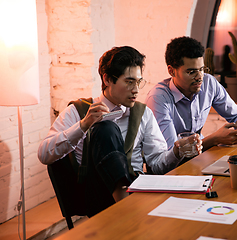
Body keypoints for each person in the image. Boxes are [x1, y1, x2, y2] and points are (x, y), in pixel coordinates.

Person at [38, 46, 201, 217]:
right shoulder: (78, 112)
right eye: (129, 82)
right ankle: (126, 205)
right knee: (105, 128)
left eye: (138, 82)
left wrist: (176, 151)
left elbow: (157, 165)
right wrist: (84, 125)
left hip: (137, 188)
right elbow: (44, 155)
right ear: (107, 79)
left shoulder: (142, 113)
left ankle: (127, 204)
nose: (136, 90)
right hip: (95, 196)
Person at [145, 36, 237, 152]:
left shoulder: (208, 83)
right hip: (171, 167)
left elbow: (236, 116)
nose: (199, 77)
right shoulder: (158, 98)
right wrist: (215, 138)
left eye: (202, 69)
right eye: (191, 72)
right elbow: (173, 152)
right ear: (171, 71)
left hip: (199, 156)